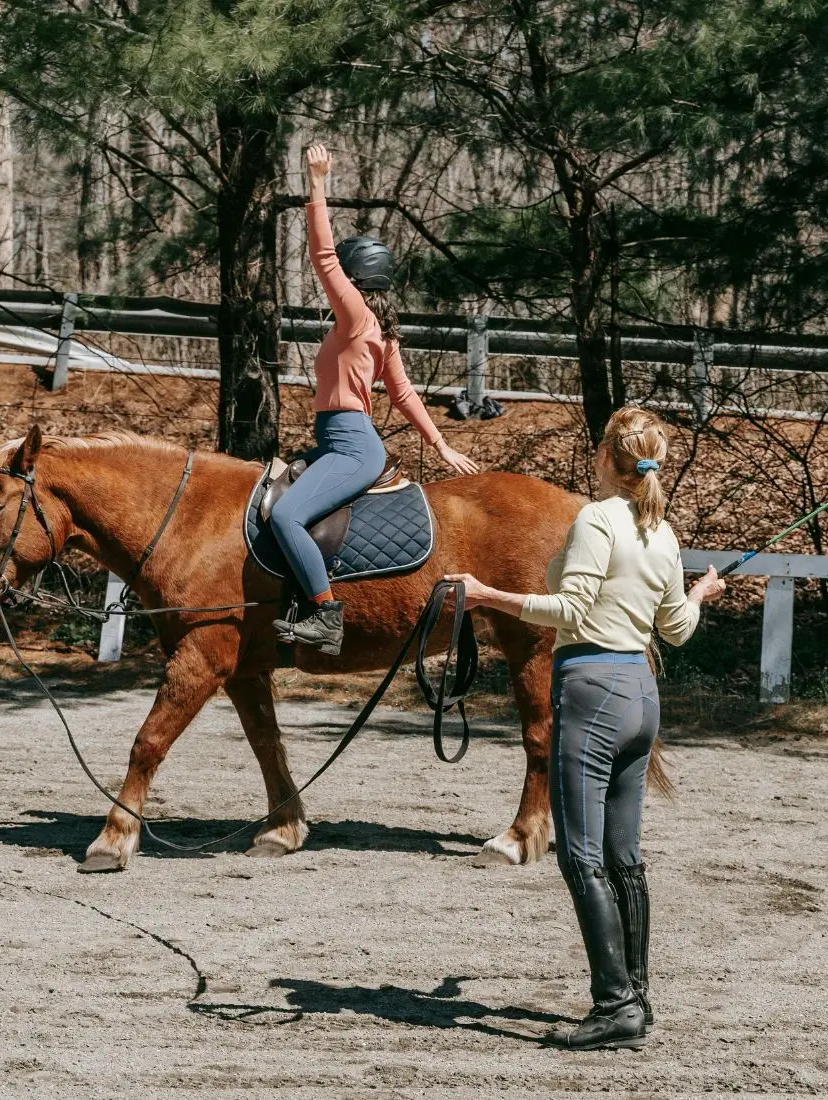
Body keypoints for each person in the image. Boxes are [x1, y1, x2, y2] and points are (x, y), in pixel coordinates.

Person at [445, 405, 726, 1051]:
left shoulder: (596, 519)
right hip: (638, 697)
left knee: (580, 856)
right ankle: (638, 999)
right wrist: (698, 597)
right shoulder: (663, 531)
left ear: (605, 458)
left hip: (593, 689)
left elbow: (569, 607)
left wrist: (489, 596)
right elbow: (675, 631)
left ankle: (614, 1003)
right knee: (624, 858)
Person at [272, 143, 478, 656]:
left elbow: (321, 256)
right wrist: (441, 444)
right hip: (340, 441)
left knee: (285, 517)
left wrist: (317, 182)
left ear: (355, 277)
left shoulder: (357, 314)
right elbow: (403, 392)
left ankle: (326, 616)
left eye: (343, 275)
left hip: (350, 444)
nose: (334, 281)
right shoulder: (380, 328)